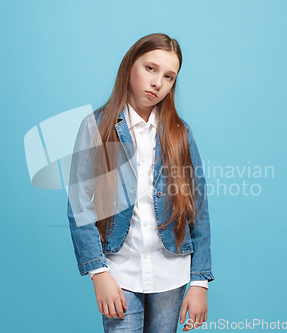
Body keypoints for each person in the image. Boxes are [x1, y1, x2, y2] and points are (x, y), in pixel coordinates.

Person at [67, 32, 214, 332]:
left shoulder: (180, 133)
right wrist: (98, 271)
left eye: (169, 76)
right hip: (118, 272)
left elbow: (197, 208)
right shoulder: (97, 127)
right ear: (130, 66)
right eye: (150, 68)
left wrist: (200, 281)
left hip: (170, 272)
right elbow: (79, 205)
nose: (158, 82)